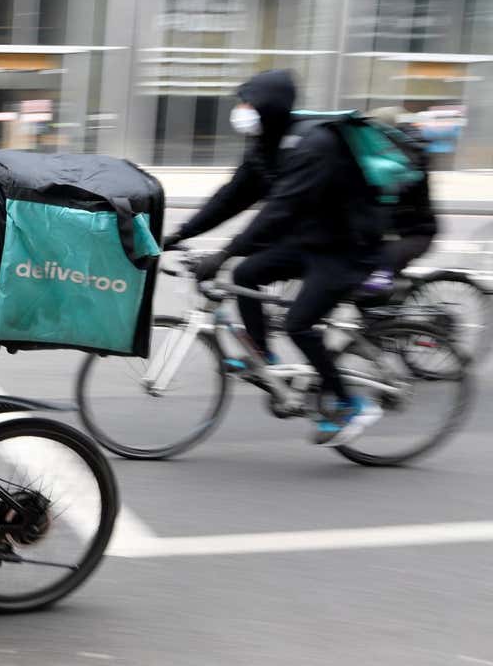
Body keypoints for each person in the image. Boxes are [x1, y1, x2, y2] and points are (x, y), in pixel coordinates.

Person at [166, 70, 385, 446]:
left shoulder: (313, 145)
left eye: (248, 103)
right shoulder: (266, 143)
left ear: (268, 107)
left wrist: (221, 255)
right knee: (247, 274)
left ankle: (351, 404)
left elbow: (277, 213)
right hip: (310, 239)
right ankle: (265, 360)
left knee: (299, 323)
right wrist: (179, 234)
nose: (241, 111)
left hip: (347, 248)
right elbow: (231, 197)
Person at [358, 107, 437, 294]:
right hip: (392, 229)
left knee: (376, 276)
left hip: (415, 233)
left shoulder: (409, 156)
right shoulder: (386, 153)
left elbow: (397, 187)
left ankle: (392, 317)